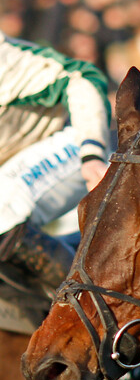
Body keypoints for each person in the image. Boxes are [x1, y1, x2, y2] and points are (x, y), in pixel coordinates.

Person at [0, 30, 110, 289]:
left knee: (2, 207)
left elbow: (81, 78)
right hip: (15, 160)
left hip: (76, 141)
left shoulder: (6, 61)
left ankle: (95, 307)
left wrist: (92, 152)